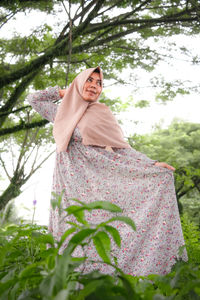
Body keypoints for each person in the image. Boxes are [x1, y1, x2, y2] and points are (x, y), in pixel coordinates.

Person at [28, 66, 187, 276]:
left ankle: (118, 280)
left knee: (102, 230)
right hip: (71, 185)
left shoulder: (102, 113)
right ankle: (71, 286)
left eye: (99, 83)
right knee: (72, 230)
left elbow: (123, 149)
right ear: (79, 82)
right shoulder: (62, 111)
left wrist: (152, 164)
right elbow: (33, 99)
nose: (94, 86)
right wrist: (65, 93)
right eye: (89, 80)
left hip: (98, 180)